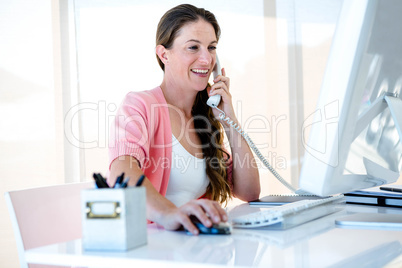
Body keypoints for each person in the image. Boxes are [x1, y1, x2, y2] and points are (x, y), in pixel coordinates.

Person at [108, 4, 260, 235]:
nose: (206, 59)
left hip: (191, 247)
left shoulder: (206, 116)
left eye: (211, 48)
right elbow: (122, 172)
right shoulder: (139, 105)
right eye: (193, 47)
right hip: (150, 247)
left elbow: (249, 192)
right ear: (163, 54)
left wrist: (229, 119)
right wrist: (169, 213)